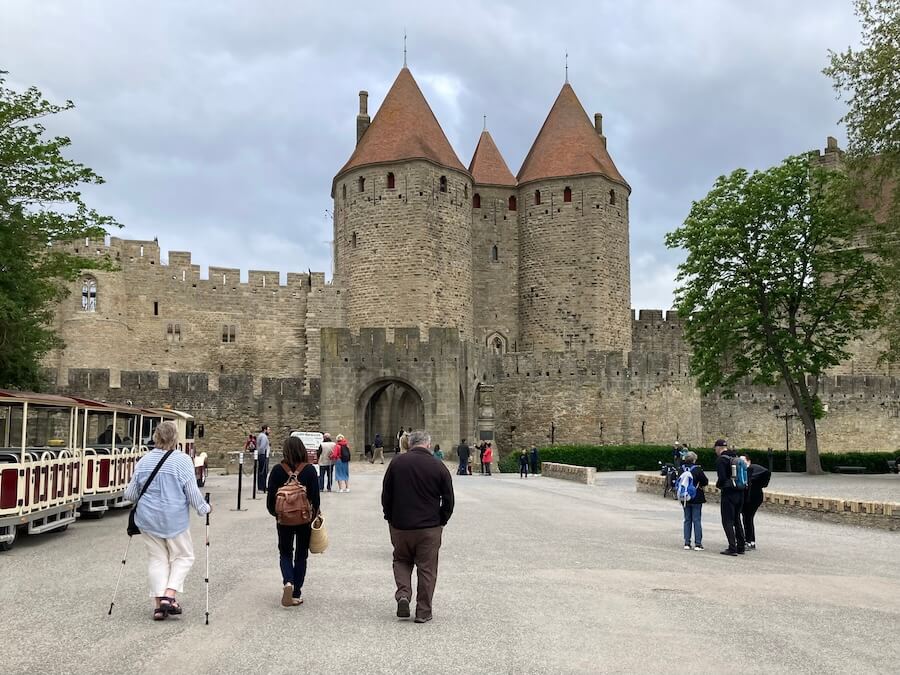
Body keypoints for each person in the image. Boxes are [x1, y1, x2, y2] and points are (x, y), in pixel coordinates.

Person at [123, 420, 211, 621]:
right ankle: (169, 595)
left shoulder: (144, 461)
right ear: (175, 439)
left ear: (155, 437)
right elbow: (192, 493)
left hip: (148, 520)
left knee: (157, 559)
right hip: (174, 520)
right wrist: (205, 508)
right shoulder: (182, 461)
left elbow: (130, 494)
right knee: (183, 556)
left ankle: (158, 605)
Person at [381, 429, 454, 624]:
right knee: (427, 568)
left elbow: (386, 494)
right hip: (429, 526)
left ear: (410, 444)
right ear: (428, 444)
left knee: (401, 560)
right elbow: (449, 499)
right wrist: (441, 520)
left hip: (401, 525)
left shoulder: (396, 463)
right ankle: (423, 611)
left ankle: (404, 594)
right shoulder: (438, 466)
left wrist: (390, 517)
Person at [266, 435, 320, 607]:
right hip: (304, 519)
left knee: (285, 552)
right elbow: (316, 499)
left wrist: (278, 514)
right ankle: (296, 593)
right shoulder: (310, 470)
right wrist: (314, 515)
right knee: (301, 555)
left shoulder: (277, 470)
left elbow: (270, 501)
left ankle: (288, 581)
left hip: (284, 520)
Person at [714, 439, 746, 556]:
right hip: (740, 491)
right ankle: (741, 546)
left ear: (718, 448)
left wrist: (718, 485)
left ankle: (732, 547)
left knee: (727, 520)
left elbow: (722, 478)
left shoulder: (721, 460)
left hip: (729, 493)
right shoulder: (735, 456)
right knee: (737, 519)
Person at [679, 451, 709, 551]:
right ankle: (698, 544)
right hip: (696, 497)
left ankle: (687, 543)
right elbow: (705, 481)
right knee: (696, 520)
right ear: (694, 459)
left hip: (685, 497)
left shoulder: (681, 469)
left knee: (687, 520)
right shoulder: (697, 469)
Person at [742, 455, 771, 550]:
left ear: (748, 461)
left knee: (748, 518)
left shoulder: (753, 469)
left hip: (753, 498)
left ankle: (749, 541)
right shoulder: (747, 471)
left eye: (744, 461)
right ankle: (750, 540)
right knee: (748, 518)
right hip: (751, 497)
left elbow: (766, 474)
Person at [256, 425, 270, 492]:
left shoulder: (260, 435)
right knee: (263, 471)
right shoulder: (264, 437)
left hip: (261, 455)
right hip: (263, 455)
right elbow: (262, 447)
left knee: (262, 471)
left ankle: (262, 486)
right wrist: (263, 454)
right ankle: (262, 487)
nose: (269, 431)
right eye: (268, 429)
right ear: (265, 430)